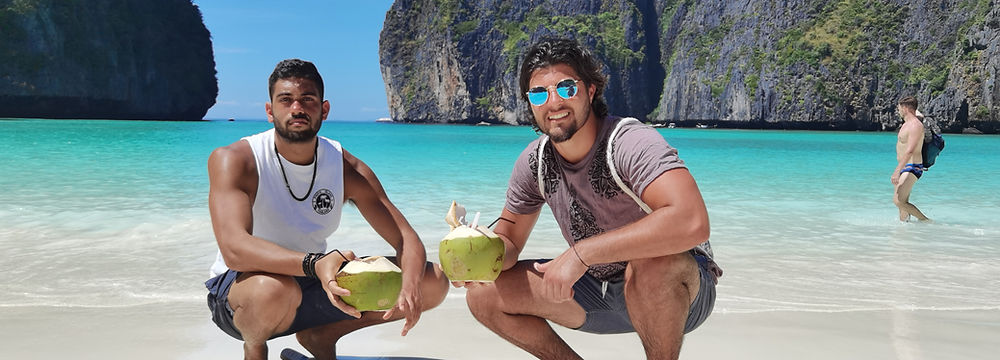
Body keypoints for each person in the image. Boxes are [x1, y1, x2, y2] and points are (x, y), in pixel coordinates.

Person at [457, 37, 722, 359]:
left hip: (680, 289)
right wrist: (475, 259)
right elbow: (508, 242)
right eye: (540, 93)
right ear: (530, 102)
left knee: (652, 263)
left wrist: (581, 255)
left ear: (591, 90)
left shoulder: (629, 142)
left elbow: (691, 221)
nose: (553, 103)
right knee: (485, 295)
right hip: (598, 293)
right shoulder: (534, 162)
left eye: (566, 88)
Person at [204, 59, 448, 360]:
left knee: (433, 281)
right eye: (286, 100)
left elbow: (405, 239)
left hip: (315, 279)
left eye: (308, 100)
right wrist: (314, 263)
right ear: (270, 111)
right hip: (242, 291)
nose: (297, 108)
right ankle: (255, 350)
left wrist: (410, 287)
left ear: (325, 109)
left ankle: (322, 335)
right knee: (275, 291)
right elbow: (234, 249)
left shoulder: (344, 167)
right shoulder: (236, 160)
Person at [891, 96, 930, 222]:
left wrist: (897, 171)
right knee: (903, 203)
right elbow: (917, 112)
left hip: (912, 167)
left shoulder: (915, 125)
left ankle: (926, 221)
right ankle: (905, 228)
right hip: (905, 167)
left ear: (905, 108)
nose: (899, 111)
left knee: (898, 200)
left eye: (899, 108)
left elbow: (910, 150)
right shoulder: (910, 121)